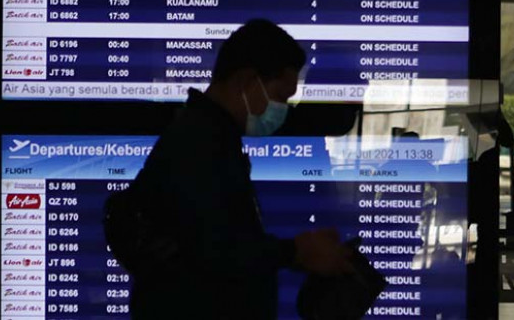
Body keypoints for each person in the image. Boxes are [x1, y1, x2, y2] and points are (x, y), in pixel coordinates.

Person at [128, 19, 353, 319]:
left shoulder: (209, 136)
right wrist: (295, 251)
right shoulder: (199, 143)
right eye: (280, 97)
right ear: (246, 82)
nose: (282, 111)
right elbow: (214, 251)